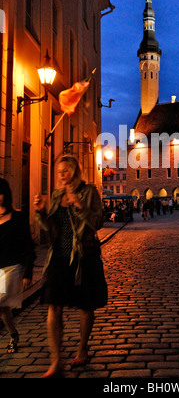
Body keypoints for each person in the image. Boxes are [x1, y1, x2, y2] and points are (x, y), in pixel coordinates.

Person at [34, 155, 107, 378]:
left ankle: (82, 348)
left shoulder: (89, 191)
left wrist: (80, 205)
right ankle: (57, 361)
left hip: (84, 255)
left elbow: (98, 223)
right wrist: (40, 212)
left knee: (85, 306)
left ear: (75, 172)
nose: (62, 175)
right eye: (59, 171)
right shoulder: (56, 195)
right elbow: (50, 230)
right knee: (53, 305)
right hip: (59, 257)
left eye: (66, 170)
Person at [0, 178, 35, 354]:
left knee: (0, 302)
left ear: (6, 195)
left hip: (12, 267)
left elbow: (28, 246)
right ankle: (13, 334)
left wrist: (28, 272)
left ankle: (13, 335)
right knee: (4, 309)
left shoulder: (18, 217)